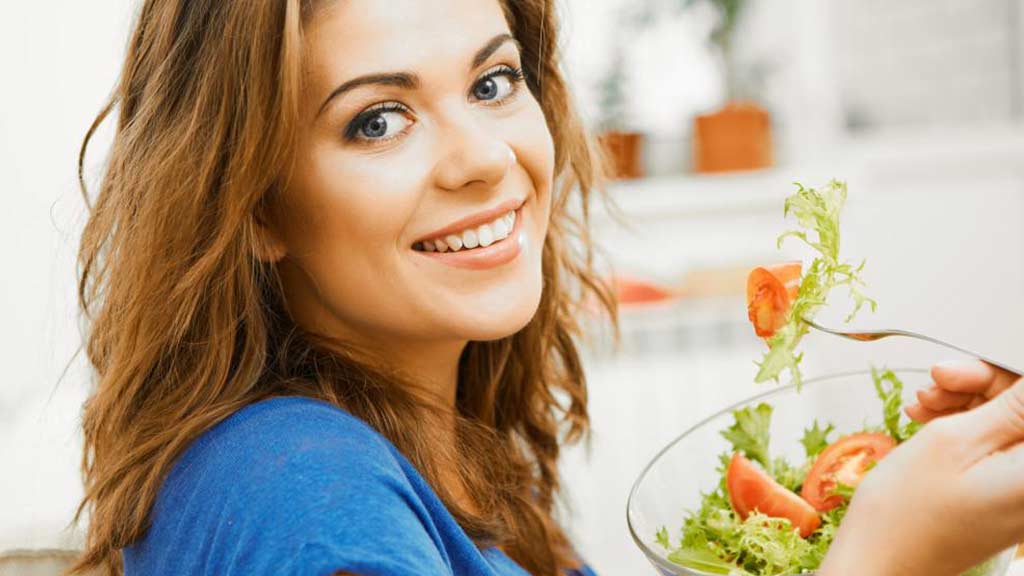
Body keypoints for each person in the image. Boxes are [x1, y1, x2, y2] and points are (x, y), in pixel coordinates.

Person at [66, 0, 1024, 575]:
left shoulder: (434, 452)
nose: (487, 158)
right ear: (255, 203)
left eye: (492, 84)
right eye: (378, 120)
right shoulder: (304, 493)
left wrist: (861, 503)